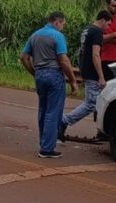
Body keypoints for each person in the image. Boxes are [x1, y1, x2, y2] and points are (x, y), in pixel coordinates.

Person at [21, 12, 78, 158]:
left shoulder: (35, 35)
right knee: (53, 112)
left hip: (40, 74)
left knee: (43, 109)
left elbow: (24, 57)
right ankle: (47, 148)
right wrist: (72, 80)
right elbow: (63, 60)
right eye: (63, 24)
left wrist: (34, 72)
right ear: (57, 22)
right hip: (54, 75)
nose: (63, 27)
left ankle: (43, 141)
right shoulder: (57, 36)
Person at [58, 10, 113, 141]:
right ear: (103, 20)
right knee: (91, 104)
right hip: (92, 72)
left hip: (85, 69)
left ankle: (103, 130)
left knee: (100, 102)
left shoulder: (87, 29)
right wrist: (101, 76)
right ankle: (64, 121)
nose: (108, 27)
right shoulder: (97, 32)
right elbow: (95, 55)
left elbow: (81, 51)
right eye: (108, 24)